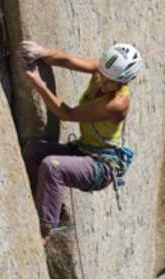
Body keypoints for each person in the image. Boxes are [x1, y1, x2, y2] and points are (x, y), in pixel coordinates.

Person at [17, 40, 142, 238]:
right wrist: (41, 52)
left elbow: (67, 114)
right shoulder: (104, 71)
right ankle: (43, 201)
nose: (102, 81)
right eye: (102, 74)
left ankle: (46, 228)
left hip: (101, 166)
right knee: (32, 151)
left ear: (123, 82)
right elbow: (68, 60)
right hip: (83, 149)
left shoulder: (117, 104)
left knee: (53, 166)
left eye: (110, 81)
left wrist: (38, 84)